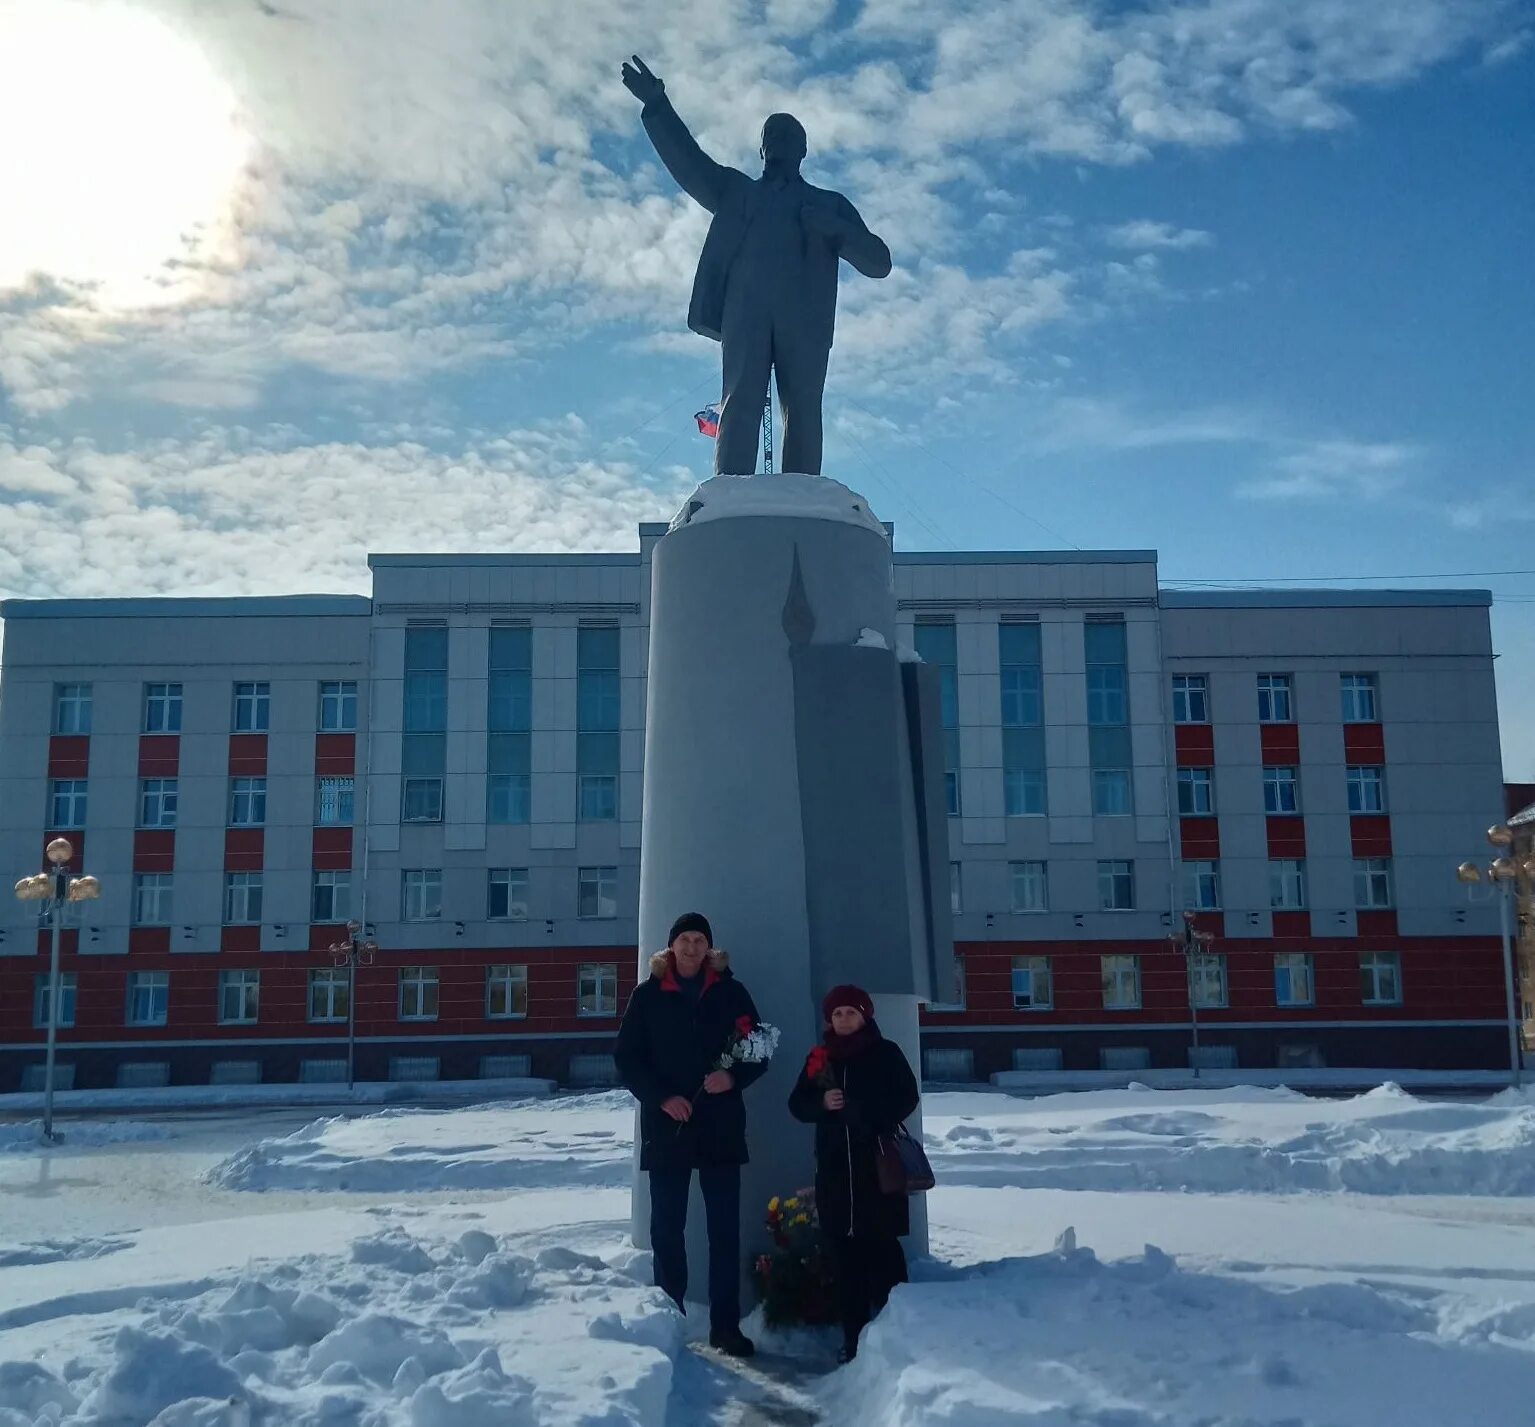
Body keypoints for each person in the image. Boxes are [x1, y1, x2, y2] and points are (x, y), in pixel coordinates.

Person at [619, 54, 892, 477]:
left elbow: (878, 262)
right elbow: (690, 163)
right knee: (741, 400)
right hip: (745, 311)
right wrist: (657, 106)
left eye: (789, 135)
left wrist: (837, 229)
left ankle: (801, 492)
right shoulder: (737, 193)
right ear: (761, 148)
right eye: (772, 135)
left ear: (803, 150)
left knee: (802, 406)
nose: (780, 141)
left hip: (804, 319)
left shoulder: (827, 204)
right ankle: (729, 492)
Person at [614, 912, 767, 1357]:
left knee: (724, 1230)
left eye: (700, 940)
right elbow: (627, 1059)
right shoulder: (648, 997)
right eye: (685, 939)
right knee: (667, 1229)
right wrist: (662, 1098)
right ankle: (670, 1324)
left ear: (710, 948)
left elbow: (759, 1049)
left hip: (720, 1127)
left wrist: (733, 1079)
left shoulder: (732, 992)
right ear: (671, 946)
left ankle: (725, 1327)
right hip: (669, 1129)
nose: (692, 947)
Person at [788, 983, 920, 1363]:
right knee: (845, 1260)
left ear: (865, 1015)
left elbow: (906, 1096)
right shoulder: (820, 1058)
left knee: (883, 1251)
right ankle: (854, 1339)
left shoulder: (885, 1053)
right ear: (829, 1019)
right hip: (834, 1173)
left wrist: (868, 1114)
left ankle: (899, 1332)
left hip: (875, 1169)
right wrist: (821, 1102)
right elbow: (797, 1104)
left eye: (851, 1012)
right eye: (838, 1014)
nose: (844, 1019)